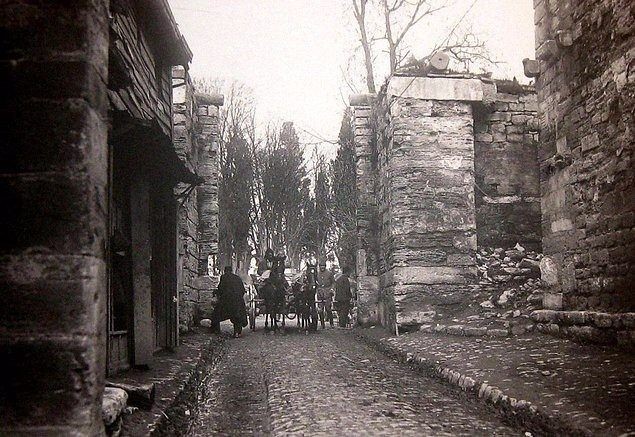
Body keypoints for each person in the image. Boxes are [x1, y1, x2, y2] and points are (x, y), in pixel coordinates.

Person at [211, 266, 248, 337]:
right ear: (231, 271)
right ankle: (237, 332)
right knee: (238, 316)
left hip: (226, 301)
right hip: (237, 301)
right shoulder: (237, 278)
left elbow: (221, 289)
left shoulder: (223, 277)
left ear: (225, 271)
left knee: (216, 314)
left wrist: (216, 293)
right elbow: (242, 290)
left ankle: (216, 331)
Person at [316, 261, 334, 328]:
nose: (322, 267)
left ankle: (331, 323)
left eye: (323, 266)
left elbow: (333, 283)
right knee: (320, 310)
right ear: (319, 267)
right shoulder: (317, 274)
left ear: (325, 266)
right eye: (321, 266)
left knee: (328, 309)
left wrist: (331, 289)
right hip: (320, 293)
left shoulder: (329, 273)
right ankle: (322, 324)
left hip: (328, 293)